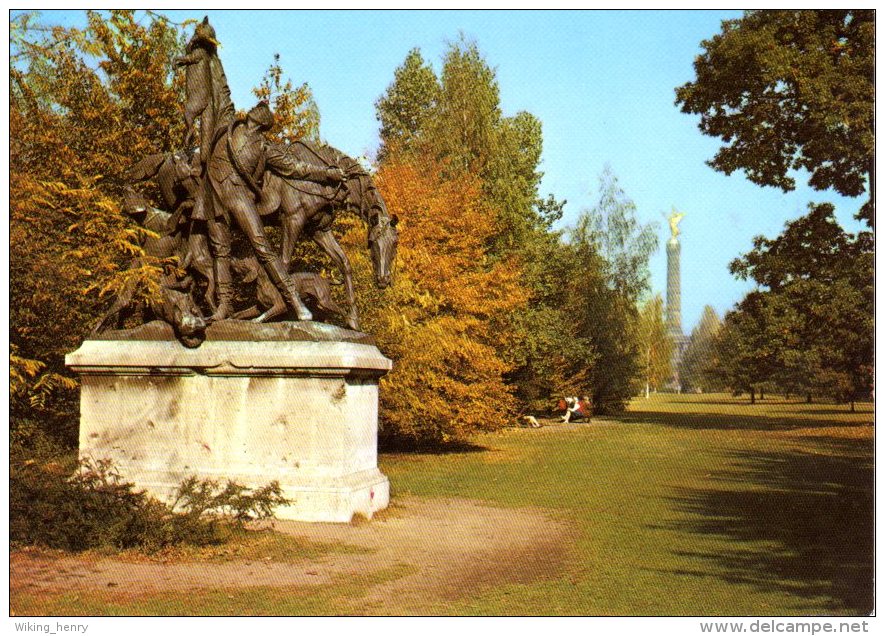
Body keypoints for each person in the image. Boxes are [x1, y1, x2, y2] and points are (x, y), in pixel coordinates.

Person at [199, 101, 344, 321]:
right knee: (221, 252)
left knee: (262, 247)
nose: (258, 106)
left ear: (264, 122)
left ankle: (295, 301)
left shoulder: (265, 147)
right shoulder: (228, 126)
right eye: (258, 106)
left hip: (239, 195)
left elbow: (296, 167)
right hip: (213, 195)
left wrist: (326, 173)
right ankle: (224, 307)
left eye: (262, 109)